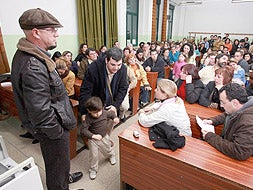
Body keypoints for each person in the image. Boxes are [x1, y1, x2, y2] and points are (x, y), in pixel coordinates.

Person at [11, 8, 83, 190]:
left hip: (52, 127)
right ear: (36, 32)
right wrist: (57, 133)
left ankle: (63, 179)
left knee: (59, 164)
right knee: (57, 166)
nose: (57, 34)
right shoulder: (33, 65)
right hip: (52, 131)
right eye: (52, 30)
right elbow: (41, 112)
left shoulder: (30, 54)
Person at [201, 83, 253, 161]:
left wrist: (209, 136)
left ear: (235, 103)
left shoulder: (248, 122)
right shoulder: (243, 105)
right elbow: (228, 114)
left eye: (223, 102)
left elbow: (240, 152)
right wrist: (212, 121)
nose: (221, 105)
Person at [79, 47, 128, 120]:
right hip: (98, 96)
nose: (116, 68)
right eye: (113, 64)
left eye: (119, 65)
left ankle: (119, 117)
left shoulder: (123, 69)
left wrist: (115, 105)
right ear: (106, 60)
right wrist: (84, 113)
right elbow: (85, 91)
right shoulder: (93, 68)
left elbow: (123, 88)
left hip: (115, 94)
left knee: (124, 106)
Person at [80, 96, 119, 180]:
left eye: (99, 111)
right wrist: (93, 136)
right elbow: (83, 130)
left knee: (107, 149)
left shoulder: (104, 113)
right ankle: (93, 169)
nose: (98, 114)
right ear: (89, 111)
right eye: (95, 112)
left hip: (104, 136)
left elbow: (111, 114)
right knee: (93, 155)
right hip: (93, 140)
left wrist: (115, 118)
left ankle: (111, 155)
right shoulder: (87, 118)